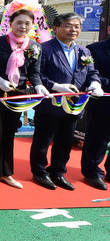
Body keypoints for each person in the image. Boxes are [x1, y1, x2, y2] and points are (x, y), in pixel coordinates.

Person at [31, 12, 102, 190]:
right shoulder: (44, 48)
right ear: (55, 28)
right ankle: (39, 172)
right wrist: (55, 86)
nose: (73, 30)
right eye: (68, 26)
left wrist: (95, 83)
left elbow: (92, 72)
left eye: (77, 26)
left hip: (73, 106)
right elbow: (36, 75)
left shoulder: (84, 51)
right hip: (49, 105)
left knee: (65, 141)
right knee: (43, 142)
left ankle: (58, 172)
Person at [0, 9, 48, 189]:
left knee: (10, 133)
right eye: (19, 22)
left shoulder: (35, 46)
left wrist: (39, 86)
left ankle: (6, 172)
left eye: (27, 23)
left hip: (18, 94)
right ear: (10, 23)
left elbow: (34, 73)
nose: (23, 26)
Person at [83, 26, 110, 190]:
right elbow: (93, 74)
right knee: (97, 140)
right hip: (103, 103)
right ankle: (92, 172)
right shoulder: (95, 49)